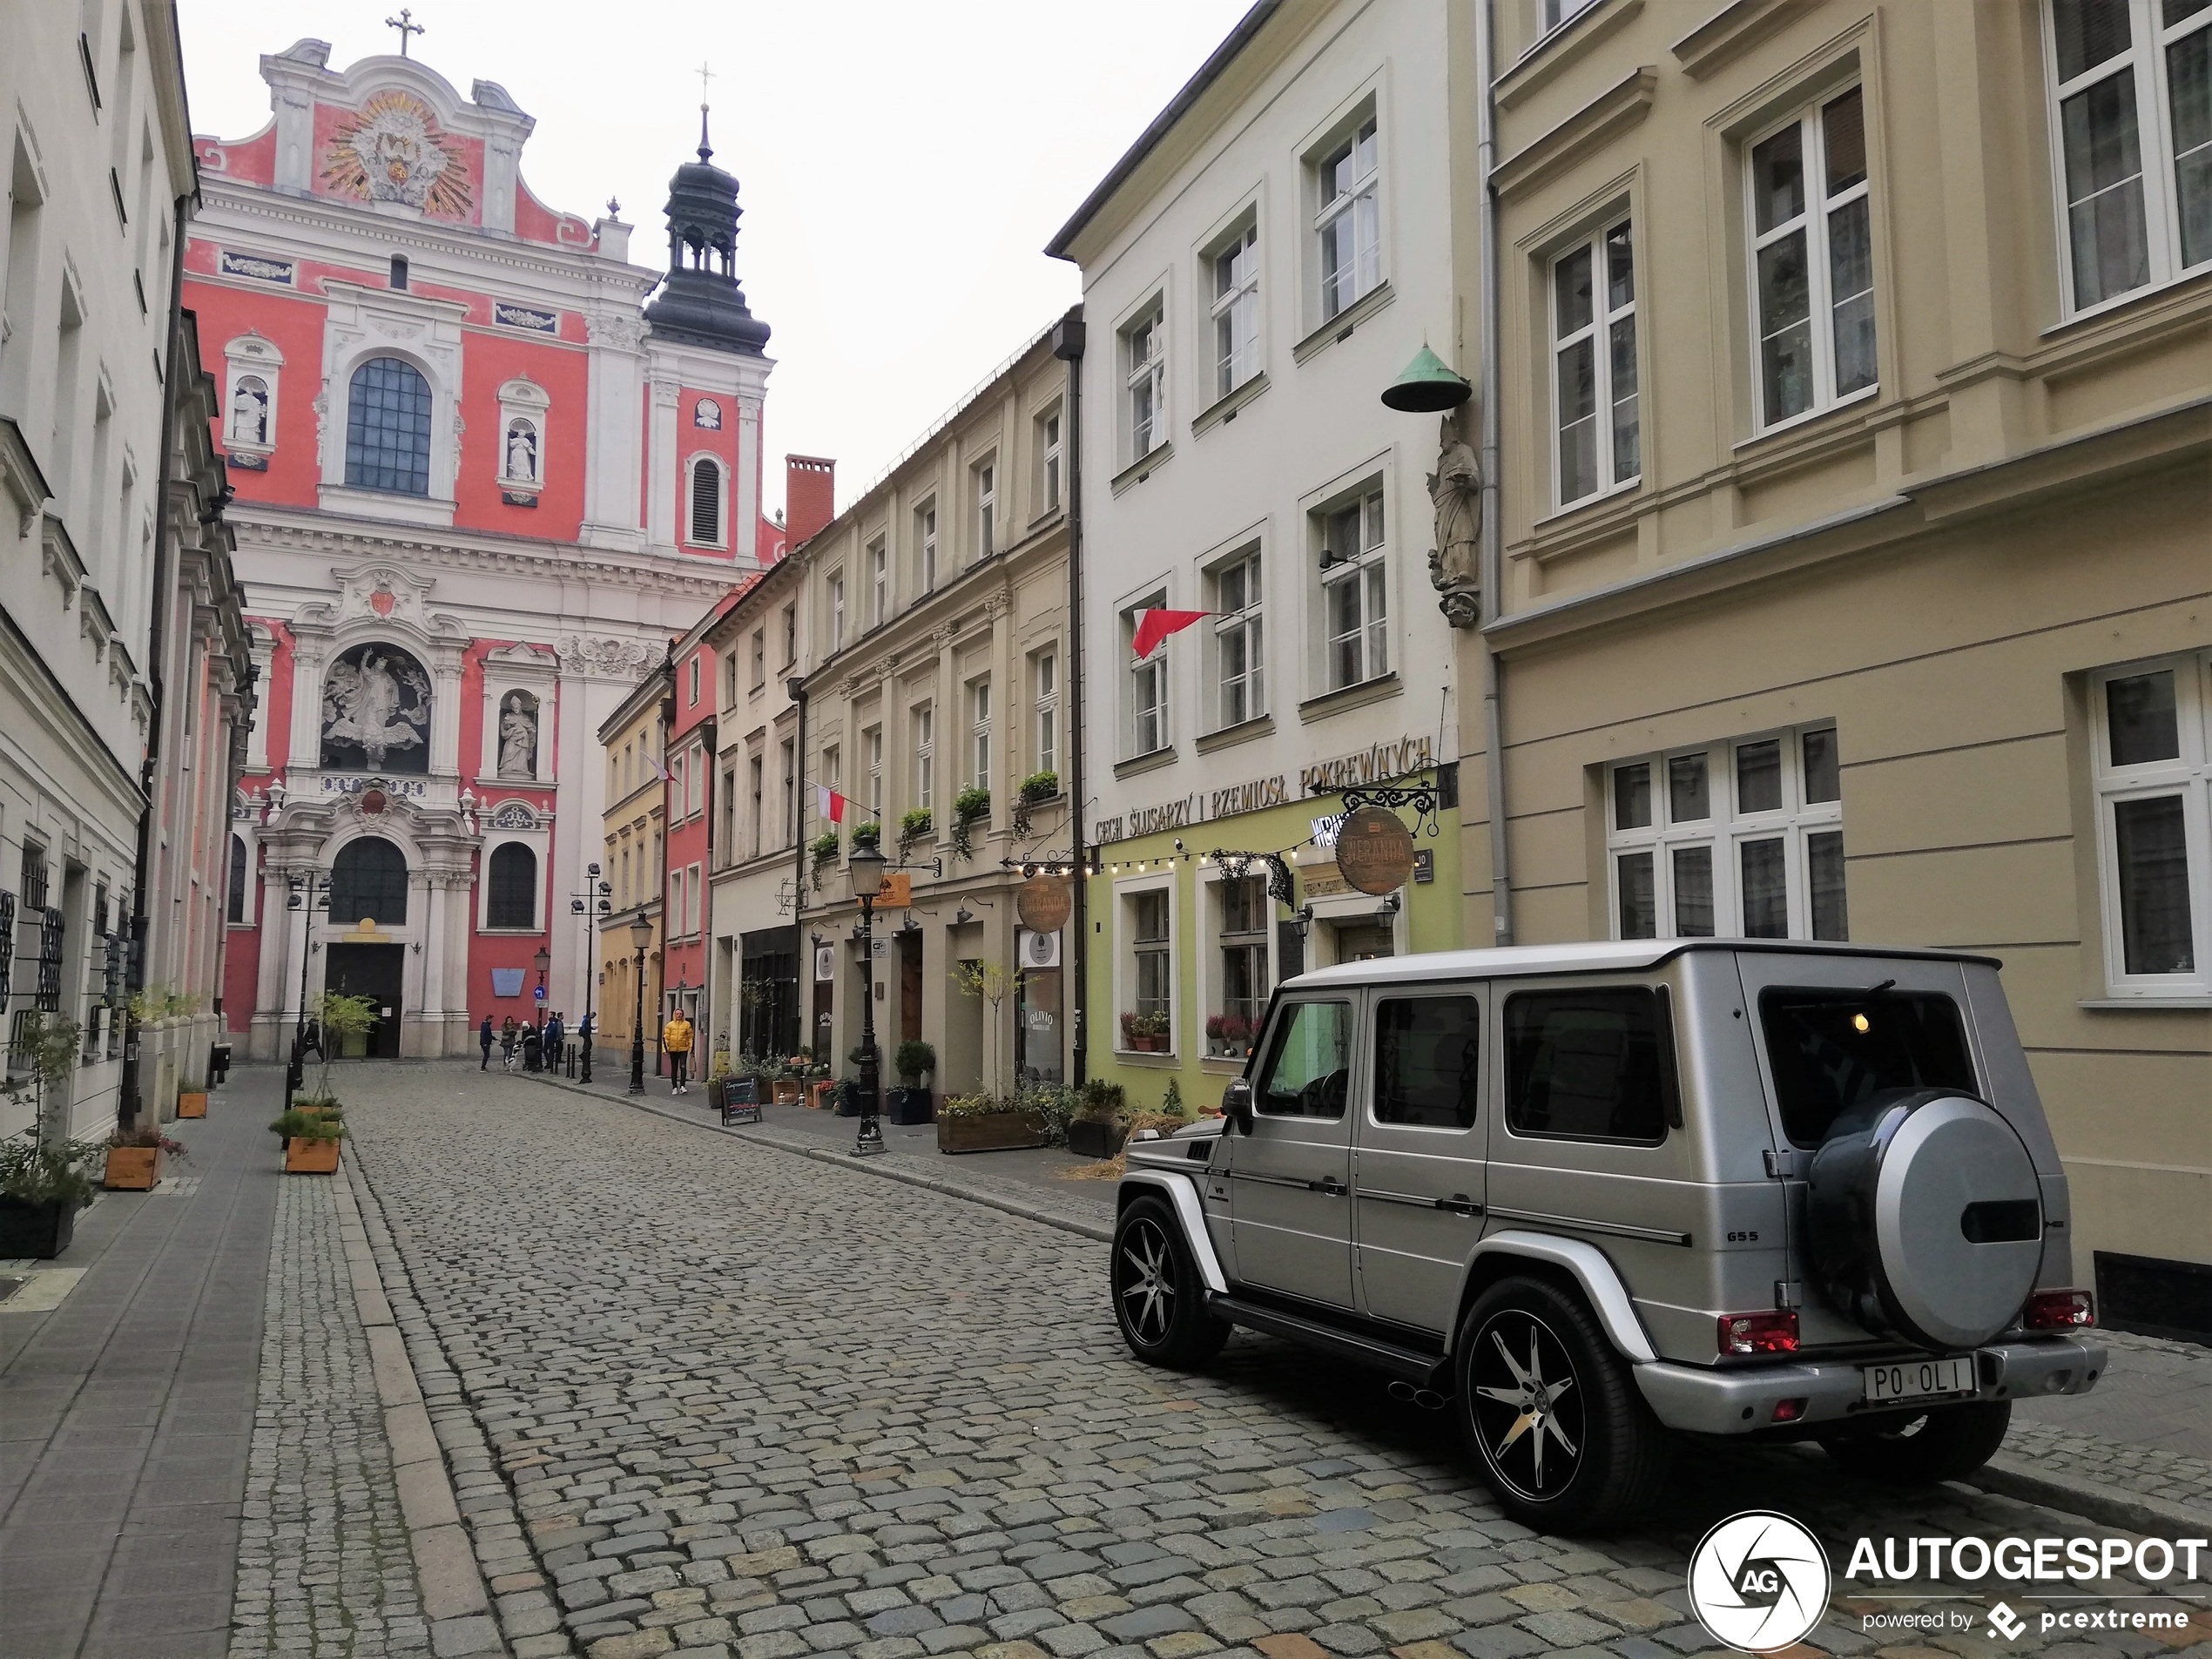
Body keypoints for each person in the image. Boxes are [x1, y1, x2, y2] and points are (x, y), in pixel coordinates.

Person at [663, 1008, 695, 1095]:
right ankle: (674, 1087)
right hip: (673, 1049)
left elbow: (690, 1037)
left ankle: (682, 1086)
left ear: (682, 1015)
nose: (679, 1015)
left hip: (683, 1049)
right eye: (677, 1014)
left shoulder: (687, 1025)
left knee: (683, 1067)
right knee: (674, 1068)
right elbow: (666, 1037)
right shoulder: (670, 1025)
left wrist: (691, 1048)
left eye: (680, 1014)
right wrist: (665, 1049)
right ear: (675, 1015)